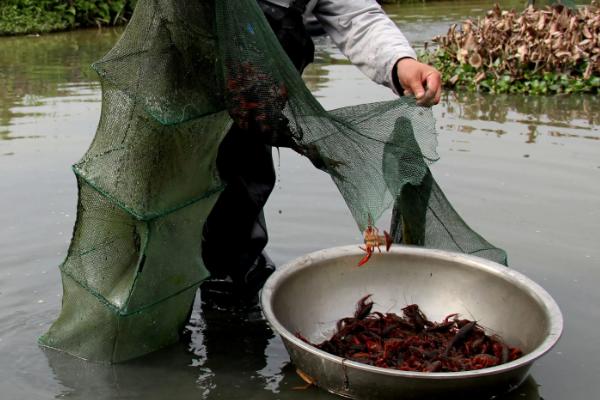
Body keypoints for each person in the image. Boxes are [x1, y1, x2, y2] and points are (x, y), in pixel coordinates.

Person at [200, 0, 441, 309]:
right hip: (186, 93)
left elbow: (356, 15)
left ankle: (233, 323)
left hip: (251, 113)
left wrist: (401, 63)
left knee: (235, 224)